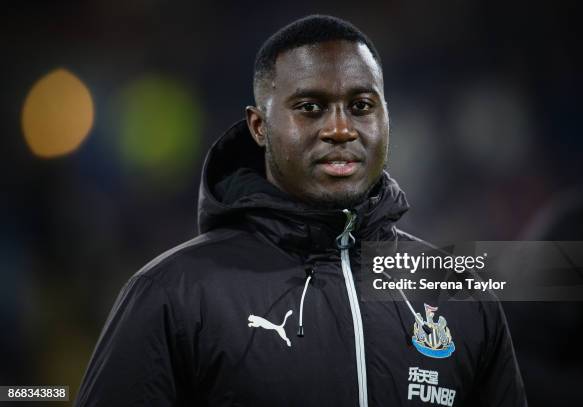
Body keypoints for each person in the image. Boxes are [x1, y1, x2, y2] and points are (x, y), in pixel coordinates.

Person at [75, 15, 526, 406]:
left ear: (386, 116)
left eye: (361, 106)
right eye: (311, 108)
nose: (340, 128)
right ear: (259, 126)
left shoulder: (457, 292)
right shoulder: (173, 293)